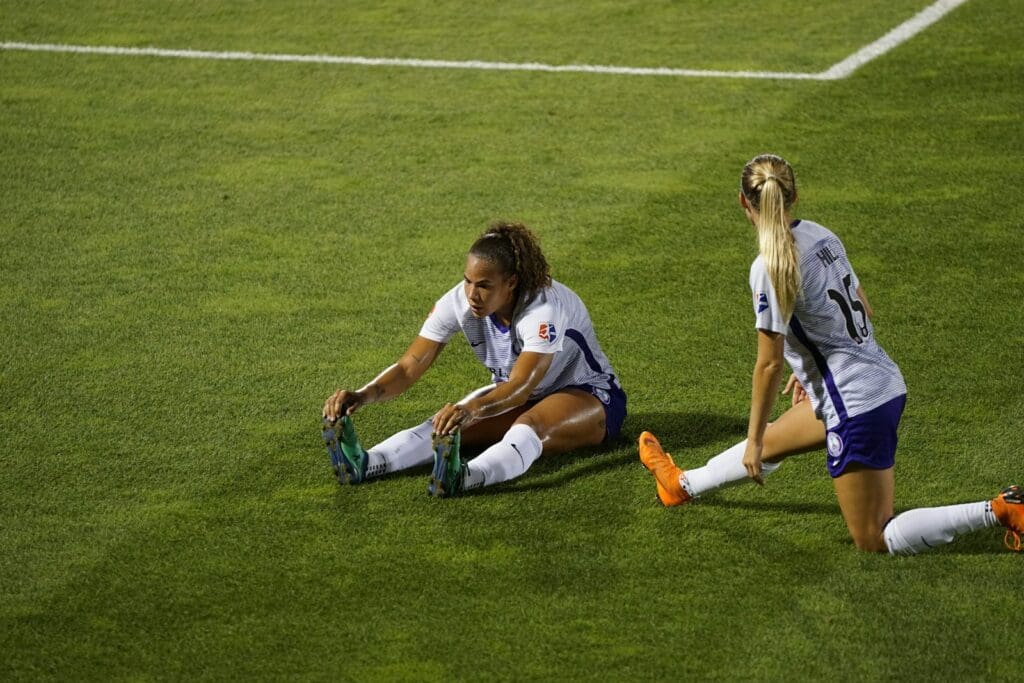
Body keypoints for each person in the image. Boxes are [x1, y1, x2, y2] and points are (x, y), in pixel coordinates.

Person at [639, 153, 1022, 554]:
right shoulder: (822, 236)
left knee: (873, 537)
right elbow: (863, 308)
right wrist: (809, 366)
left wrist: (751, 438)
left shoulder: (768, 266)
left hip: (856, 405)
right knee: (774, 442)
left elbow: (768, 363)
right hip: (879, 379)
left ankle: (1000, 510)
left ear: (742, 202)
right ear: (795, 195)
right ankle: (681, 486)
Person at [322, 221, 626, 497]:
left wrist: (473, 409)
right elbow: (408, 366)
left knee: (528, 425)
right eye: (468, 281)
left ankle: (466, 478)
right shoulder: (458, 301)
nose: (472, 294)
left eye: (483, 285)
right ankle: (368, 462)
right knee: (445, 425)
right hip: (516, 392)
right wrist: (362, 395)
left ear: (512, 282)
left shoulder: (543, 309)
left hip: (588, 395)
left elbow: (521, 386)